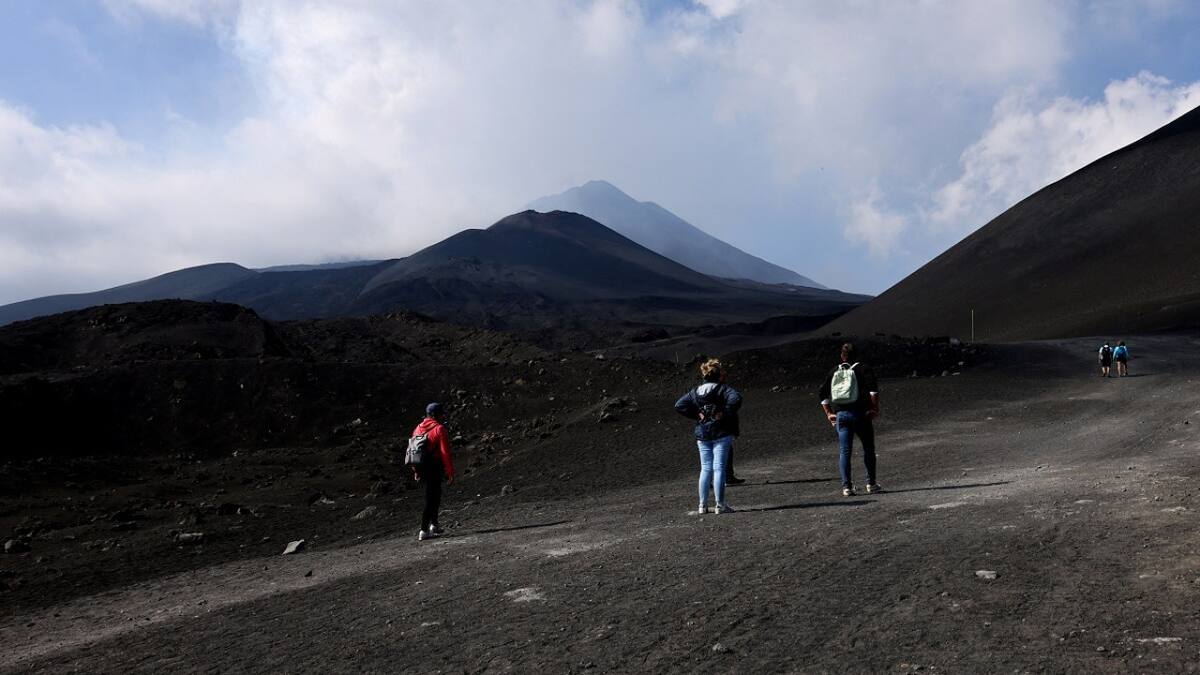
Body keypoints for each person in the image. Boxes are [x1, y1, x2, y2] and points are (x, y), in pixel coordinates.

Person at [675, 358, 743, 515]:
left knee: (705, 468)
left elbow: (679, 405)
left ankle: (702, 505)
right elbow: (737, 398)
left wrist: (697, 414)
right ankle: (720, 505)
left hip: (703, 434)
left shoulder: (695, 392)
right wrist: (723, 412)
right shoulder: (722, 389)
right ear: (718, 374)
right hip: (721, 432)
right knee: (719, 468)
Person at [819, 343, 882, 497]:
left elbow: (822, 394)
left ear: (842, 356)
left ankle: (847, 487)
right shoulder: (864, 369)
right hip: (861, 414)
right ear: (857, 355)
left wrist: (829, 413)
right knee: (868, 448)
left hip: (841, 416)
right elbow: (873, 391)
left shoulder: (835, 371)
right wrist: (874, 409)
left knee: (845, 451)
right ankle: (871, 484)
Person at [411, 402, 455, 541]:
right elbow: (445, 453)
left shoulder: (418, 428)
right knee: (431, 498)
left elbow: (413, 451)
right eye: (442, 414)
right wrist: (450, 472)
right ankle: (424, 530)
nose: (443, 416)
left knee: (435, 495)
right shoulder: (439, 429)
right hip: (434, 466)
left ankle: (434, 525)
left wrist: (416, 471)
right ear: (436, 415)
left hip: (422, 467)